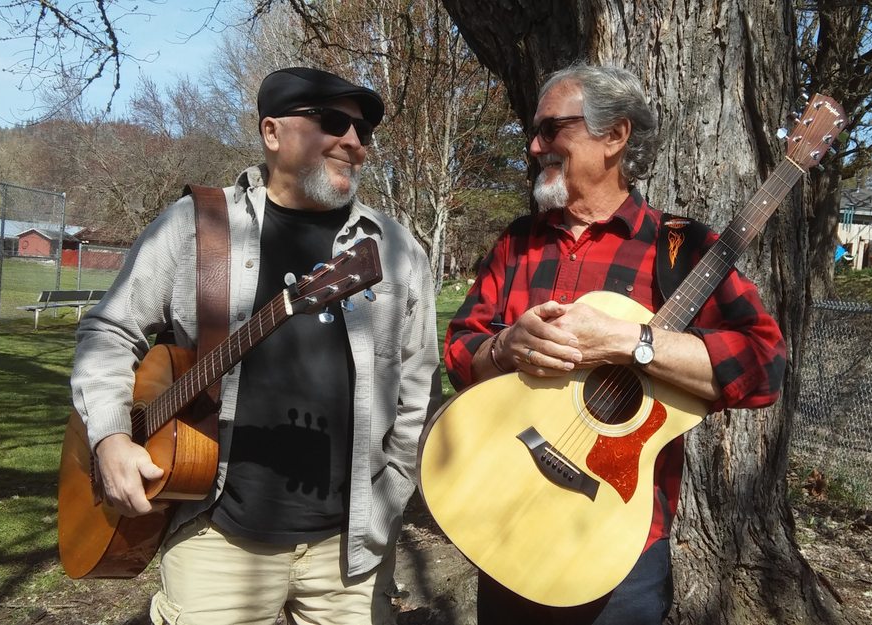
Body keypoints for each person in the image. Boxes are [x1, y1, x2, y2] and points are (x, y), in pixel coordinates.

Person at [71, 67, 440, 625]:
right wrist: (110, 437)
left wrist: (391, 494)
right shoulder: (196, 226)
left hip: (351, 550)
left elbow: (419, 383)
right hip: (216, 538)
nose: (354, 143)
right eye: (332, 122)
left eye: (363, 131)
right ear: (272, 132)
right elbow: (108, 330)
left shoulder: (394, 250)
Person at [443, 64, 787, 625]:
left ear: (615, 135)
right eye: (533, 132)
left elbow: (765, 366)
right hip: (505, 514)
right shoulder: (518, 243)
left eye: (551, 129)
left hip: (616, 538)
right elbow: (460, 350)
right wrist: (503, 347)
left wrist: (630, 341)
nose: (534, 146)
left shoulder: (680, 248)